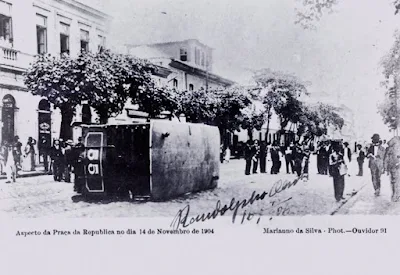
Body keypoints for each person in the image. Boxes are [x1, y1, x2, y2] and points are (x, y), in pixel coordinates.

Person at [384, 136, 400, 202]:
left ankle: (396, 195)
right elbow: (386, 159)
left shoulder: (391, 149)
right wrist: (386, 168)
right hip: (392, 167)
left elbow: (386, 159)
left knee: (396, 182)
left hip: (397, 167)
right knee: (393, 182)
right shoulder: (389, 149)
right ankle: (394, 194)